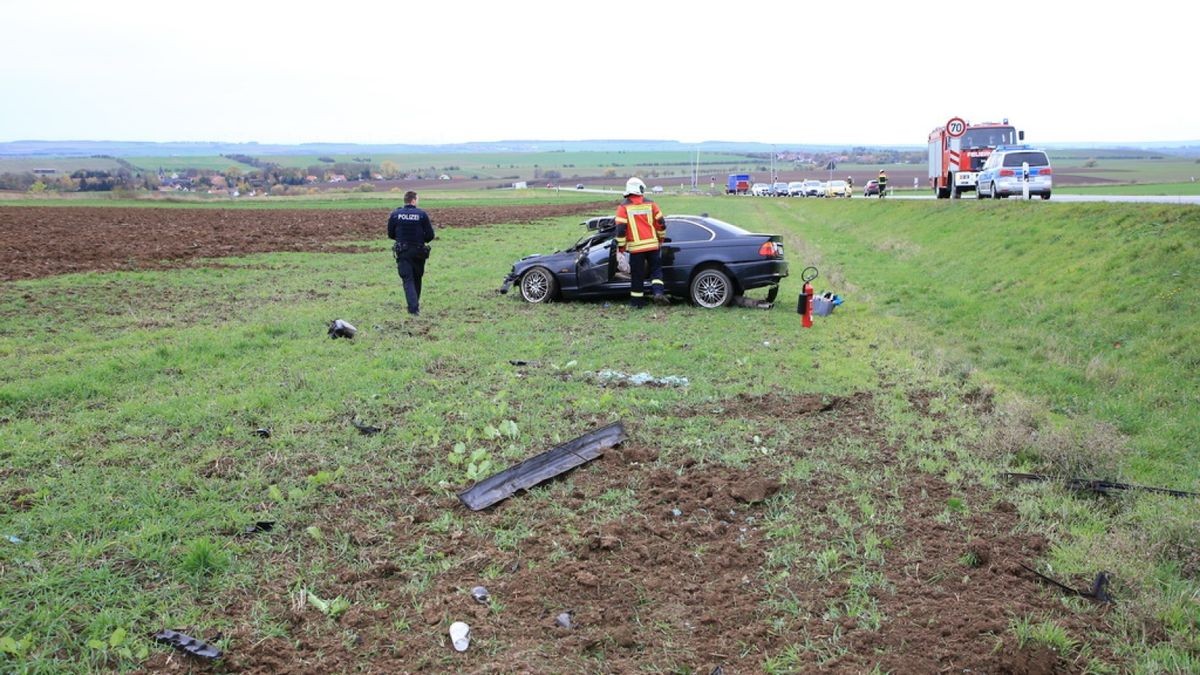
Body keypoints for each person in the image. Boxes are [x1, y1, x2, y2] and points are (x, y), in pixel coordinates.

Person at [614, 177, 667, 308]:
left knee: (637, 276)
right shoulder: (651, 204)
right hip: (653, 245)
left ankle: (637, 303)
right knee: (656, 271)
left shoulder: (623, 207)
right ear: (639, 188)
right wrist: (660, 239)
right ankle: (658, 292)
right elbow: (661, 224)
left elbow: (620, 230)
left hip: (636, 249)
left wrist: (621, 247)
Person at [387, 191, 435, 316]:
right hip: (419, 251)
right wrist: (419, 240)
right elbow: (430, 235)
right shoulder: (422, 214)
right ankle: (415, 307)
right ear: (413, 200)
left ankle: (413, 309)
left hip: (403, 251)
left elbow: (390, 234)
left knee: (408, 280)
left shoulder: (395, 214)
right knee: (417, 278)